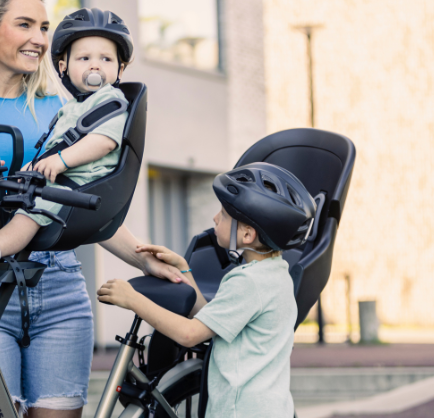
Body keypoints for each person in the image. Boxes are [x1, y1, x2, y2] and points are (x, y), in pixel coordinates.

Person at [0, 0, 187, 418]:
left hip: (59, 288)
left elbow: (82, 200)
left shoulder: (60, 109)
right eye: (24, 24)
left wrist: (142, 259)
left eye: (43, 27)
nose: (39, 39)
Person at [97, 162, 317, 418]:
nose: (215, 217)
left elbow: (191, 334)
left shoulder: (248, 282)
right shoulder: (274, 275)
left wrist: (133, 300)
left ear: (247, 234)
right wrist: (184, 270)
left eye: (223, 214)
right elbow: (212, 317)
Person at [0, 7, 133, 284]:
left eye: (106, 59)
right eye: (85, 58)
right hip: (65, 178)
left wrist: (61, 160)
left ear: (119, 69)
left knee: (34, 208)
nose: (95, 65)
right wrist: (28, 170)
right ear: (64, 67)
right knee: (11, 197)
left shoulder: (110, 100)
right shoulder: (72, 106)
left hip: (79, 181)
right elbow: (51, 147)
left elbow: (103, 142)